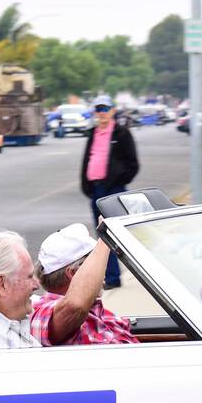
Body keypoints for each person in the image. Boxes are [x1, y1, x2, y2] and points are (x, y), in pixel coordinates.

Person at [29, 223, 136, 346]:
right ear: (74, 273)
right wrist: (106, 236)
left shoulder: (96, 309)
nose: (101, 271)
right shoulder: (41, 311)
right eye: (94, 264)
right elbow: (74, 307)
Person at [79, 94, 139, 288]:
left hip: (113, 189)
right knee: (104, 236)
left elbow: (133, 164)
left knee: (119, 235)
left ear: (112, 111)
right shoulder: (93, 133)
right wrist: (86, 185)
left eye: (105, 109)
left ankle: (131, 272)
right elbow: (87, 159)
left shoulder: (121, 134)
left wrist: (118, 181)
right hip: (96, 190)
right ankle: (112, 277)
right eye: (98, 109)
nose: (101, 113)